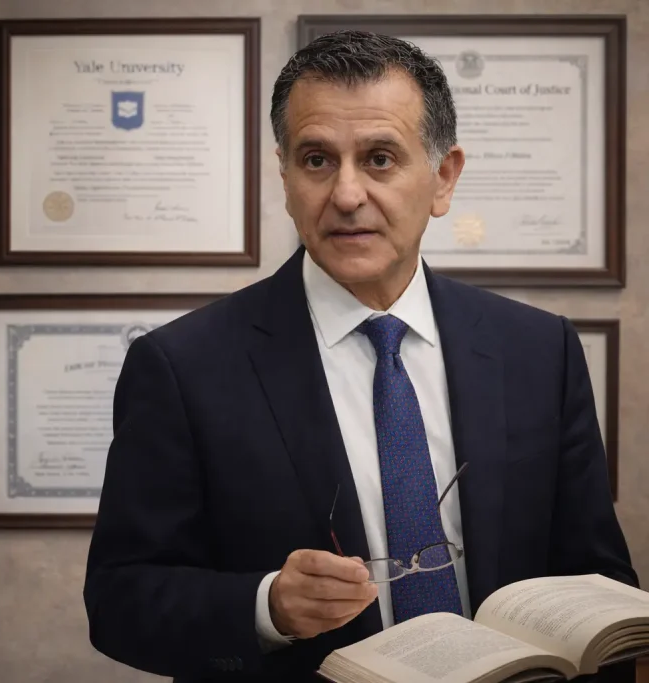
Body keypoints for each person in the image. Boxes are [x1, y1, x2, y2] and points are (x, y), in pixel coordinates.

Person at [82, 29, 638, 683]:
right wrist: (268, 606)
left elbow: (597, 582)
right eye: (317, 160)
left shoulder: (540, 351)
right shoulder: (182, 366)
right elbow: (120, 600)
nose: (346, 195)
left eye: (379, 158)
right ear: (285, 177)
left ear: (443, 178)